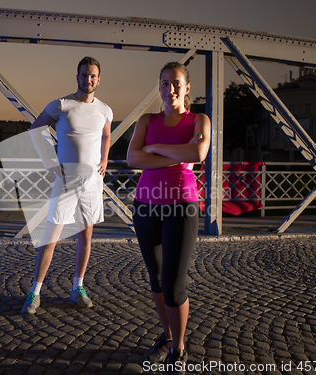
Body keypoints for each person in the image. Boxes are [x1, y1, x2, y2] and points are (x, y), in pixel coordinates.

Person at [127, 62, 211, 372]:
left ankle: (179, 347)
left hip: (181, 206)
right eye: (164, 82)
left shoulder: (199, 120)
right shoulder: (146, 120)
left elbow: (198, 155)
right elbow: (133, 158)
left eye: (176, 83)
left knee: (175, 285)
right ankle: (168, 335)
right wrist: (177, 152)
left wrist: (155, 148)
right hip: (145, 206)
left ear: (187, 88)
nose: (170, 88)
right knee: (157, 278)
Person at [21, 56, 113, 315]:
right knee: (51, 237)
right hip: (66, 180)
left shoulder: (105, 110)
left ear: (98, 78)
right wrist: (49, 160)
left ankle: (78, 288)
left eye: (93, 75)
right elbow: (35, 129)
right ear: (77, 77)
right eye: (84, 75)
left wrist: (105, 158)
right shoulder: (61, 105)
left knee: (86, 236)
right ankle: (35, 293)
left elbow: (106, 135)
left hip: (93, 182)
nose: (89, 79)